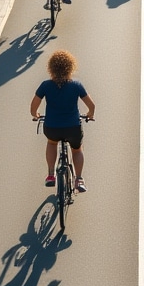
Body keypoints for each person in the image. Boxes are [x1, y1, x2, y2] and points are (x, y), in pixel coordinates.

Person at [30, 50, 96, 192]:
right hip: (73, 128)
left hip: (52, 127)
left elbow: (33, 106)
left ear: (51, 68)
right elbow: (91, 106)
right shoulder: (76, 85)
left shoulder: (45, 85)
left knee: (51, 143)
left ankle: (51, 175)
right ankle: (79, 179)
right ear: (70, 67)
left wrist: (35, 115)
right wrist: (89, 115)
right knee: (77, 150)